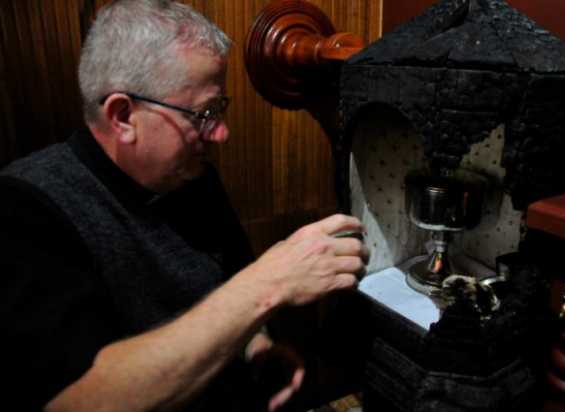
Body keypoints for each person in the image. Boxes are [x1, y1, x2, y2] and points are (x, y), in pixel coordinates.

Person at [0, 1, 368, 411]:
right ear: (123, 115)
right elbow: (78, 400)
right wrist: (269, 284)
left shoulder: (191, 175)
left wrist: (257, 347)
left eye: (219, 108)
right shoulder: (26, 207)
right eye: (204, 113)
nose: (222, 133)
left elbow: (226, 286)